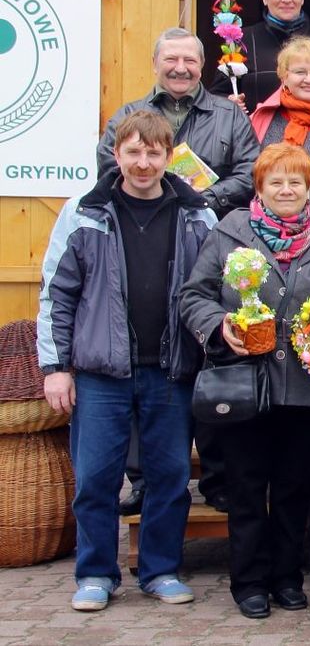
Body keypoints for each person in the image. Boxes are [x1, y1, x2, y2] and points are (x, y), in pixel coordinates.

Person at [38, 111, 216, 611]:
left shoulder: (197, 215)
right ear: (116, 155)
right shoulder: (85, 213)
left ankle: (159, 571)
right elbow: (56, 294)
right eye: (133, 152)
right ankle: (95, 574)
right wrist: (56, 368)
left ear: (168, 156)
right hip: (100, 373)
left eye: (153, 153)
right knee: (96, 479)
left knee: (170, 478)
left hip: (171, 370)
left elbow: (215, 289)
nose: (143, 163)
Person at [180, 143, 310, 619]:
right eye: (275, 182)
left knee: (293, 488)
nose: (285, 190)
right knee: (246, 487)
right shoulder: (230, 233)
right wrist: (219, 325)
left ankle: (286, 577)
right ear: (259, 187)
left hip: (308, 386)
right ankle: (249, 582)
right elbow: (194, 296)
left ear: (308, 188)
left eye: (294, 182)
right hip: (245, 382)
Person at [98, 27, 259, 218]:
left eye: (189, 60)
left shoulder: (230, 116)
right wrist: (155, 196)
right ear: (154, 63)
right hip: (141, 224)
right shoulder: (127, 116)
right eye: (171, 59)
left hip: (212, 229)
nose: (181, 69)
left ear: (201, 64)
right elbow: (108, 167)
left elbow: (251, 172)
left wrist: (203, 200)